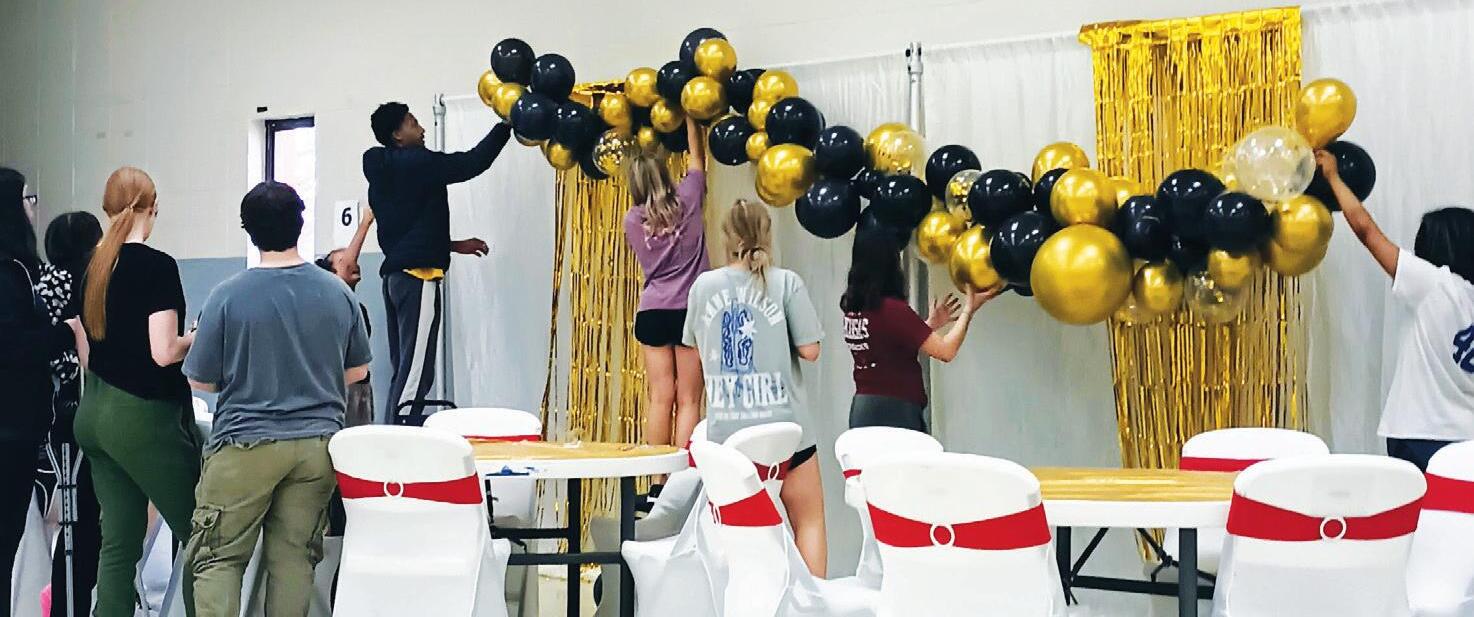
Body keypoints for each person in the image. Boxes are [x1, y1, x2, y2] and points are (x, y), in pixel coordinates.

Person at [182, 181, 371, 617]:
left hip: (244, 445)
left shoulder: (226, 296)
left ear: (248, 230)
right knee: (293, 561)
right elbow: (357, 373)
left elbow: (200, 381)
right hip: (317, 448)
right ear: (300, 225)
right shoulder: (338, 293)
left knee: (219, 557)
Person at [75, 166, 201, 617]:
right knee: (201, 534)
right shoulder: (156, 266)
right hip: (141, 417)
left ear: (106, 208)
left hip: (94, 413)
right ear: (154, 207)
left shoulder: (91, 267)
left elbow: (86, 353)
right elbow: (164, 352)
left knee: (118, 541)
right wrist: (197, 337)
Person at [682, 199, 828, 576]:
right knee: (809, 521)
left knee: (734, 534)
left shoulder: (703, 287)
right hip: (788, 434)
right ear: (767, 235)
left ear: (726, 237)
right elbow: (811, 351)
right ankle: (811, 600)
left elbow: (694, 347)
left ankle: (738, 598)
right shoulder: (787, 283)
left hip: (727, 441)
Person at [1318, 151, 1474, 471]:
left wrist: (1333, 177)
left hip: (1418, 432)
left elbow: (1366, 231)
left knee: (1418, 505)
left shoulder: (1436, 284)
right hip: (1465, 443)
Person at [361, 102, 506, 425]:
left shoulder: (382, 172)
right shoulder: (419, 163)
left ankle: (393, 434)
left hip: (395, 278)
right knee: (417, 373)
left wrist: (453, 245)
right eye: (414, 123)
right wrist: (505, 126)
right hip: (419, 277)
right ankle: (401, 439)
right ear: (397, 135)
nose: (422, 129)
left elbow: (406, 230)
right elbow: (473, 162)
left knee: (404, 368)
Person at [0, 167, 76, 617]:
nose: (33, 208)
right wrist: (65, 333)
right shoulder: (9, 274)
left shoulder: (19, 271)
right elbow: (13, 347)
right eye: (28, 199)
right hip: (10, 427)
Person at [840, 226, 999, 432]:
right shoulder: (892, 310)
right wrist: (969, 308)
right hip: (896, 410)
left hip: (863, 409)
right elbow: (946, 351)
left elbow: (888, 349)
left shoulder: (854, 309)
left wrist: (928, 326)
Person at [624, 116, 708, 452]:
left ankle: (657, 477)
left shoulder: (632, 220)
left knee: (660, 397)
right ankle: (682, 476)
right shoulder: (689, 197)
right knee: (689, 399)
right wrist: (691, 119)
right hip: (691, 311)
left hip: (653, 311)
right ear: (664, 174)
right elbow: (697, 158)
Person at [41, 211, 105, 617]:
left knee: (71, 525)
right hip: (81, 414)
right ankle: (74, 604)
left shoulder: (42, 284)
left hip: (51, 417)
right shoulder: (89, 288)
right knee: (85, 524)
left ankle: (65, 603)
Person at [316, 206, 376, 428]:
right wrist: (365, 222)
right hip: (337, 388)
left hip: (360, 388)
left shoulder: (359, 309)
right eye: (344, 261)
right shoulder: (327, 307)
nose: (353, 262)